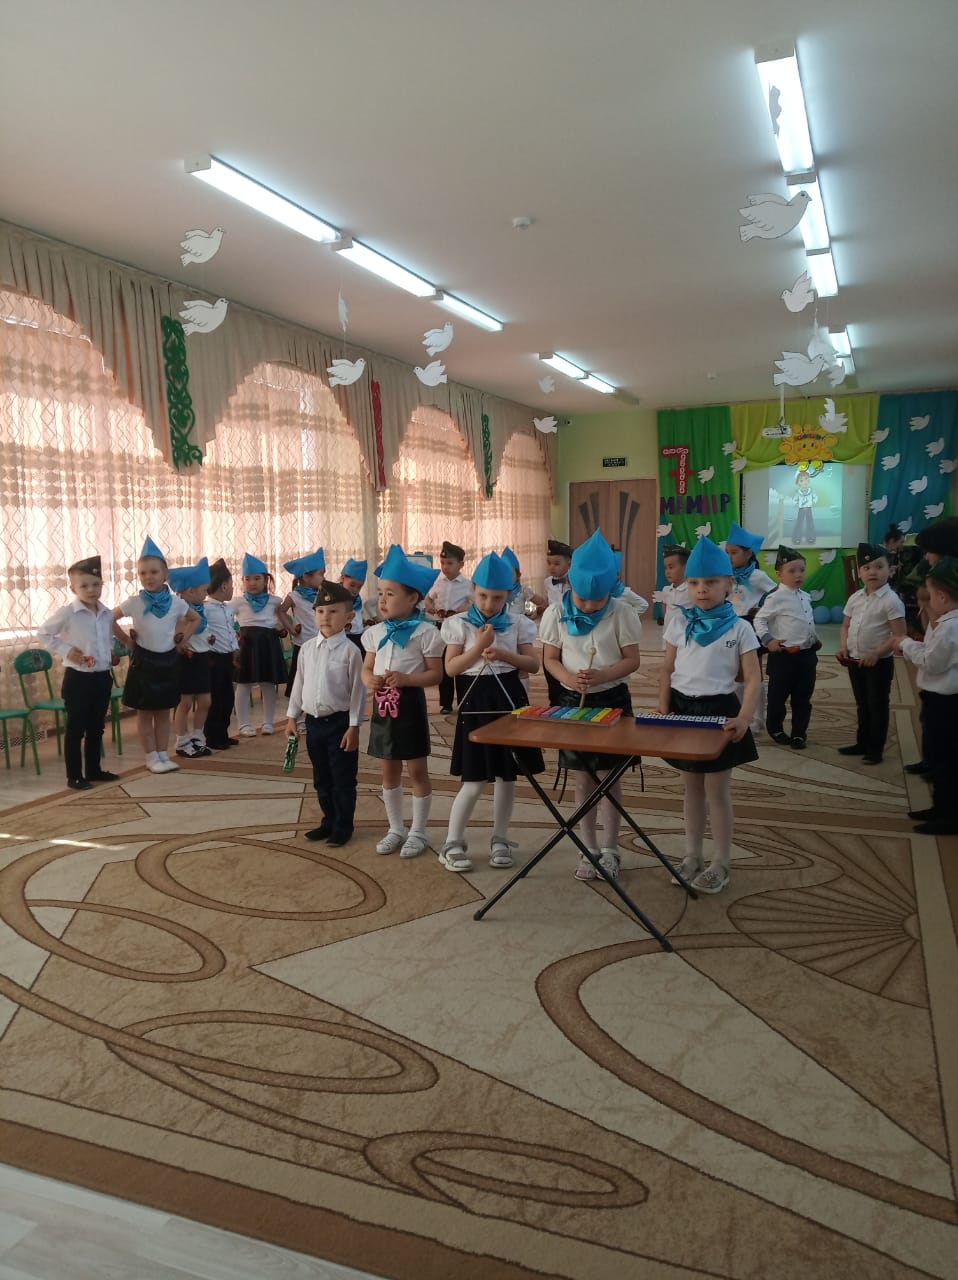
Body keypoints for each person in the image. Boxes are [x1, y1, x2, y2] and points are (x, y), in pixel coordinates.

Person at [658, 535, 760, 895]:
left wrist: (744, 717)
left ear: (728, 584)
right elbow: (667, 668)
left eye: (711, 582)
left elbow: (753, 679)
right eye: (695, 583)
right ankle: (692, 855)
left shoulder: (740, 628)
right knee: (690, 787)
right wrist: (663, 704)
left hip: (720, 713)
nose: (701, 590)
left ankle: (721, 862)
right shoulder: (678, 622)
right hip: (683, 710)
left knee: (716, 789)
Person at [539, 530, 641, 881]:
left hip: (612, 700)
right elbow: (550, 659)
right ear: (571, 584)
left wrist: (604, 675)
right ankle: (588, 847)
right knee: (582, 778)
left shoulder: (622, 613)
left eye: (597, 600)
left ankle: (611, 849)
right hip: (573, 701)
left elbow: (632, 660)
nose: (588, 606)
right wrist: (569, 679)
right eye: (582, 599)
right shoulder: (556, 612)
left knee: (610, 778)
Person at [438, 552, 543, 873]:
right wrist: (477, 646)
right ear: (473, 589)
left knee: (507, 777)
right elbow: (451, 668)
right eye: (483, 595)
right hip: (475, 703)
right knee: (473, 779)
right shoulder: (458, 624)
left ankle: (500, 838)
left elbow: (533, 665)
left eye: (497, 598)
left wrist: (504, 654)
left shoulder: (518, 623)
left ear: (509, 594)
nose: (489, 603)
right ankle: (452, 842)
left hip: (509, 700)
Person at [362, 545, 444, 857]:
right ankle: (395, 828)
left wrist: (407, 679)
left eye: (390, 594)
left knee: (417, 770)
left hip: (409, 705)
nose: (382, 600)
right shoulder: (375, 633)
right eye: (380, 593)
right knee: (389, 770)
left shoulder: (425, 633)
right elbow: (367, 668)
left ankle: (419, 831)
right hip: (382, 705)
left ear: (413, 599)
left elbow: (436, 674)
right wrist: (369, 680)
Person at [285, 581, 367, 847]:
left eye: (333, 612)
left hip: (340, 725)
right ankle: (328, 820)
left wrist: (354, 726)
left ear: (349, 617)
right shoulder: (307, 649)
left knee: (342, 778)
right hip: (313, 725)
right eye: (320, 611)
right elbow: (299, 684)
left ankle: (343, 826)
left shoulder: (351, 652)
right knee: (321, 777)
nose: (325, 617)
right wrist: (292, 717)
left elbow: (358, 693)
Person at [114, 536, 200, 774]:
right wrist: (126, 640)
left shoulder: (176, 603)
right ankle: (150, 756)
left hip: (168, 661)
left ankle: (163, 754)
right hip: (144, 662)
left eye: (153, 572)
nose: (148, 577)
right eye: (143, 573)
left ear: (165, 575)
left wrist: (183, 638)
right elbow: (108, 618)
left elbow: (195, 619)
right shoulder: (134, 602)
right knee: (145, 712)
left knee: (163, 711)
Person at [38, 554, 119, 790]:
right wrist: (66, 650)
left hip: (102, 677)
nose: (91, 590)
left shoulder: (106, 613)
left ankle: (94, 770)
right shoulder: (68, 613)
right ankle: (74, 776)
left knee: (96, 727)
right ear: (73, 588)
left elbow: (106, 639)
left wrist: (110, 654)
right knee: (76, 729)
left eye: (96, 584)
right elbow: (43, 633)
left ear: (102, 584)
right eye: (84, 586)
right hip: (78, 680)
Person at [895, 557, 958, 835]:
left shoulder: (950, 628)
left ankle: (948, 815)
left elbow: (932, 663)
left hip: (946, 703)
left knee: (945, 759)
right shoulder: (946, 623)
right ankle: (940, 806)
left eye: (930, 596)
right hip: (942, 699)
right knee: (940, 755)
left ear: (942, 596)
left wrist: (906, 643)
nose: (928, 601)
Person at [836, 542, 906, 765]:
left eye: (878, 566)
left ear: (890, 570)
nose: (872, 572)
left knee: (877, 705)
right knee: (862, 703)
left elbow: (899, 634)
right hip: (855, 660)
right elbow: (845, 626)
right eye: (866, 568)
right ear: (859, 573)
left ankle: (875, 750)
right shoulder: (855, 597)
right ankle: (862, 743)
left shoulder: (891, 601)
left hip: (879, 663)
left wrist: (877, 653)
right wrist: (843, 646)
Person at [753, 546, 819, 749]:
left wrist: (814, 639)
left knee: (803, 697)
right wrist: (769, 641)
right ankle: (776, 728)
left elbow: (806, 621)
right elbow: (759, 620)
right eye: (792, 571)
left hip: (806, 656)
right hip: (783, 657)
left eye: (802, 570)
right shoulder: (775, 598)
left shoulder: (805, 596)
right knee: (777, 697)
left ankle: (799, 733)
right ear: (779, 574)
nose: (798, 575)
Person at [725, 520, 775, 734]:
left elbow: (777, 593)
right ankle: (737, 714)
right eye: (727, 552)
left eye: (734, 552)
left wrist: (762, 609)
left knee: (754, 673)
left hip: (750, 625)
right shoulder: (726, 574)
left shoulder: (757, 576)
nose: (729, 557)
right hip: (729, 623)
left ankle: (757, 720)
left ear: (748, 554)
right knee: (735, 672)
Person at [233, 553, 288, 736]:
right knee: (244, 685)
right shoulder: (238, 602)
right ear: (242, 581)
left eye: (257, 578)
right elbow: (224, 619)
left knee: (268, 684)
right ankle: (243, 724)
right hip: (247, 645)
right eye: (247, 579)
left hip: (268, 644)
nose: (252, 583)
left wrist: (281, 628)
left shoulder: (275, 601)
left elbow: (279, 619)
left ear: (266, 580)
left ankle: (268, 722)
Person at [169, 557, 214, 759]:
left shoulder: (201, 609)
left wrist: (209, 638)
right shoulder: (180, 611)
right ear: (189, 591)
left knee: (205, 700)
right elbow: (177, 636)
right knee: (185, 703)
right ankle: (182, 740)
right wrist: (180, 646)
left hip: (202, 658)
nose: (206, 594)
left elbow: (202, 631)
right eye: (204, 590)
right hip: (187, 660)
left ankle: (197, 736)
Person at [424, 540, 471, 715]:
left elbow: (474, 603)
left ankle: (464, 701)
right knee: (444, 664)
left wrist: (461, 610)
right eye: (442, 563)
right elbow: (428, 598)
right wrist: (430, 606)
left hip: (459, 628)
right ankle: (445, 703)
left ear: (461, 564)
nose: (445, 567)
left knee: (460, 665)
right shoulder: (439, 582)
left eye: (450, 563)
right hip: (441, 627)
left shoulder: (467, 584)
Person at [202, 557, 239, 750]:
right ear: (224, 586)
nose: (233, 588)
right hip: (213, 659)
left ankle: (223, 734)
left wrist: (235, 649)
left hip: (227, 657)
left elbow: (230, 630)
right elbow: (201, 629)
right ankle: (212, 737)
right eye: (232, 584)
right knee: (216, 699)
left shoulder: (229, 609)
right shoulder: (205, 609)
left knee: (227, 698)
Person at [279, 549, 325, 696]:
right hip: (303, 643)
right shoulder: (295, 596)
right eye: (321, 574)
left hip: (322, 642)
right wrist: (291, 629)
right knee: (300, 680)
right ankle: (298, 706)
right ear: (305, 576)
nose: (323, 578)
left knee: (320, 678)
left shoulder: (323, 593)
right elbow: (280, 611)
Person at [535, 539, 574, 702]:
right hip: (552, 625)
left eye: (557, 563)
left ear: (569, 563)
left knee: (567, 660)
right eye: (549, 563)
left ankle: (569, 693)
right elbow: (548, 601)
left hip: (570, 624)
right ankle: (554, 697)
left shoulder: (575, 580)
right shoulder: (547, 582)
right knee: (549, 661)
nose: (551, 567)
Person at [339, 557, 373, 650]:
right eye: (352, 585)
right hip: (345, 638)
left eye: (359, 587)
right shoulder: (336, 598)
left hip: (359, 636)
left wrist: (363, 622)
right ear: (342, 578)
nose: (355, 590)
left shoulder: (357, 599)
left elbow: (357, 615)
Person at [658, 544, 690, 628]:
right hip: (668, 633)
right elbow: (665, 608)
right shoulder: (666, 590)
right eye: (665, 568)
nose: (667, 572)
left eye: (671, 567)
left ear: (685, 567)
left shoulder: (691, 589)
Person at [611, 551, 649, 617]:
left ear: (618, 575)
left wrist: (628, 617)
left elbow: (643, 605)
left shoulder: (625, 592)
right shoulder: (602, 593)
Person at [791, 470, 818, 545]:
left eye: (806, 479)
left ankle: (811, 538)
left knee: (810, 522)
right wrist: (797, 505)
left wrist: (813, 502)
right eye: (801, 480)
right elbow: (794, 500)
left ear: (809, 480)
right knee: (799, 523)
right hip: (801, 509)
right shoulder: (797, 492)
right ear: (798, 483)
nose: (804, 482)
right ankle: (796, 539)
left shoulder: (811, 491)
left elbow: (815, 497)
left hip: (809, 508)